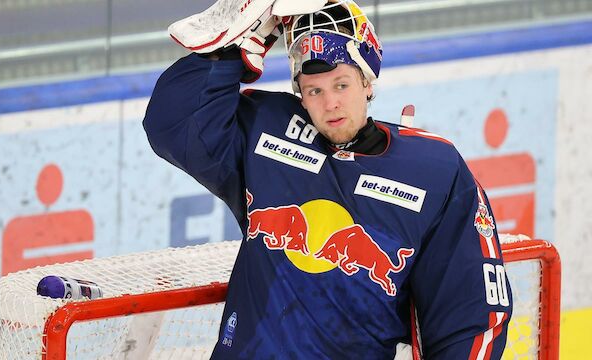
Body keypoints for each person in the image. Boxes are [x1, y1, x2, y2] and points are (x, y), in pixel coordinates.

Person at [143, 0, 513, 358]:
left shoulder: (434, 170)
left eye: (341, 85)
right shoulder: (267, 132)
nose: (330, 103)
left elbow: (473, 313)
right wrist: (235, 48)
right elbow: (173, 124)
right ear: (300, 95)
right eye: (314, 90)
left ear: (368, 83)